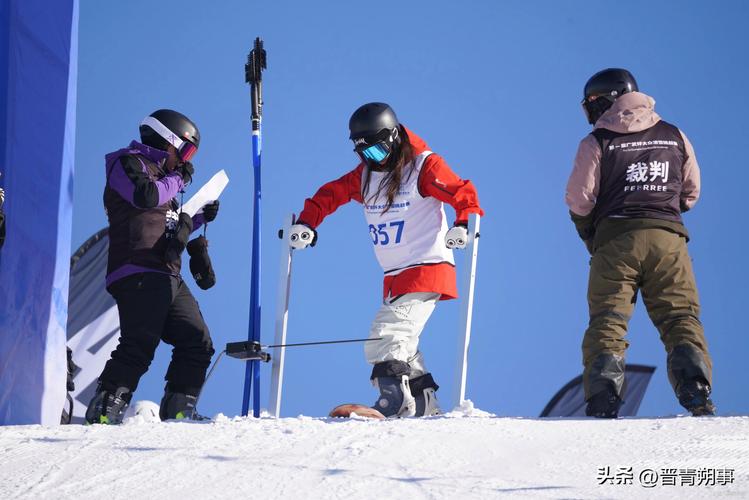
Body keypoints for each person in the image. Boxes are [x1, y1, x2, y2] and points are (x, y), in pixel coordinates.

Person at [289, 102, 483, 418]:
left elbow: (462, 192)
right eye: (363, 155)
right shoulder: (367, 176)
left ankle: (392, 402)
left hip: (426, 268)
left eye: (376, 153)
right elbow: (330, 194)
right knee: (402, 341)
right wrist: (307, 222)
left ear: (393, 138)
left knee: (386, 334)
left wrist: (463, 222)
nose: (371, 162)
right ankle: (423, 402)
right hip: (396, 277)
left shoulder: (423, 166)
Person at [566, 68, 715, 418]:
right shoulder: (674, 135)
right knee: (680, 315)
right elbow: (691, 192)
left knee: (608, 319)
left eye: (593, 102)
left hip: (616, 241)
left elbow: (579, 199)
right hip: (669, 240)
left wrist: (590, 232)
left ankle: (603, 399)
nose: (591, 111)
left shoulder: (597, 141)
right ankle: (696, 391)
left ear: (611, 97)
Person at [85, 109, 220, 424]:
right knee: (139, 342)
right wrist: (178, 178)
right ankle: (105, 410)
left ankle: (179, 409)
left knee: (197, 340)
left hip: (167, 273)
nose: (187, 161)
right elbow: (145, 197)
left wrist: (199, 216)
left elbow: (167, 224)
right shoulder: (127, 163)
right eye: (185, 151)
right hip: (138, 267)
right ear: (167, 141)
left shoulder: (165, 181)